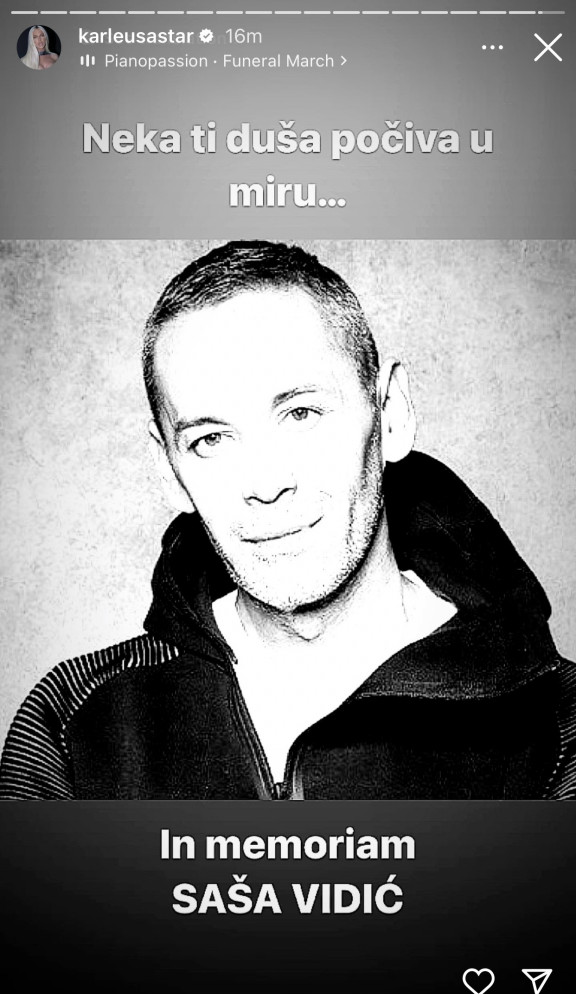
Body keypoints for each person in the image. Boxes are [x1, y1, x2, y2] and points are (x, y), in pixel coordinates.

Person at [1, 240, 574, 800]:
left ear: (391, 415)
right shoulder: (73, 722)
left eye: (301, 413)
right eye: (211, 439)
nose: (267, 484)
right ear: (168, 466)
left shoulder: (560, 730)